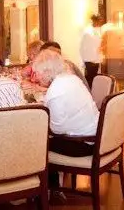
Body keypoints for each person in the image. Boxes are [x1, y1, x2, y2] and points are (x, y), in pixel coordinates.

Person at [32, 50, 99, 189]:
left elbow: (57, 130)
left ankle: (47, 188)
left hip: (83, 145)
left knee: (36, 143)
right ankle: (52, 185)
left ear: (46, 72)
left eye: (37, 72)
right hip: (97, 137)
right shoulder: (72, 79)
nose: (36, 77)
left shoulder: (55, 92)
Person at [80, 15, 104, 87]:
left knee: (94, 77)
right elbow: (83, 47)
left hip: (96, 58)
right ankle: (89, 90)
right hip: (89, 59)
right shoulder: (87, 32)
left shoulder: (97, 31)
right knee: (90, 78)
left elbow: (98, 44)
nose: (100, 24)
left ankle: (93, 90)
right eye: (99, 22)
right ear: (95, 21)